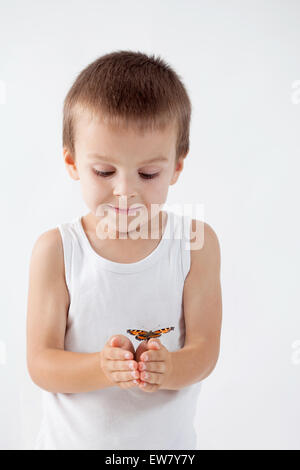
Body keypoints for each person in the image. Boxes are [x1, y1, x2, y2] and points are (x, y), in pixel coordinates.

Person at [26, 50, 222, 450]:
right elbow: (41, 363)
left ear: (176, 168)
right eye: (104, 171)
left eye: (148, 174)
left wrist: (168, 368)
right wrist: (101, 368)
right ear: (72, 163)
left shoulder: (195, 244)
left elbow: (204, 350)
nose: (125, 192)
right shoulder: (57, 250)